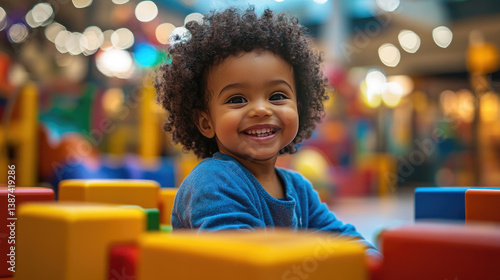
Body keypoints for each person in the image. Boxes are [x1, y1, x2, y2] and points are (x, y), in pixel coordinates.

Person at [156, 6, 380, 257]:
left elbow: (339, 237)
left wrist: (372, 259)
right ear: (206, 122)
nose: (261, 109)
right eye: (238, 99)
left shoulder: (299, 187)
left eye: (277, 95)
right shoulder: (213, 182)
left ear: (300, 107)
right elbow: (241, 262)